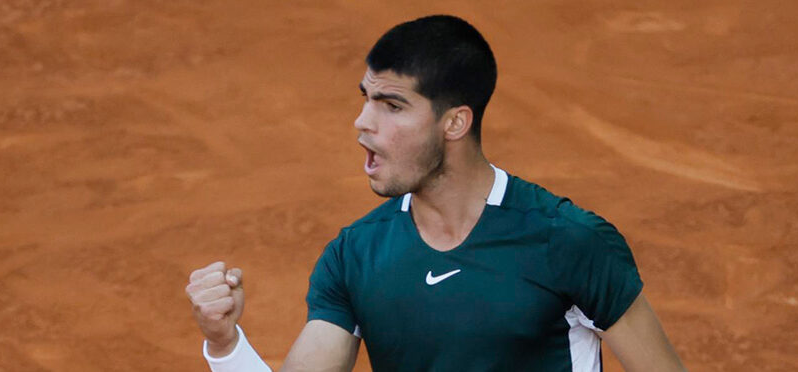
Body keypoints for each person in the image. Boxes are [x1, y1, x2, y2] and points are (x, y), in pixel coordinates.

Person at [185, 14, 685, 372]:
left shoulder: (569, 242)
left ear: (455, 122)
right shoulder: (355, 256)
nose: (362, 122)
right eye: (366, 99)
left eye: (392, 105)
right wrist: (225, 344)